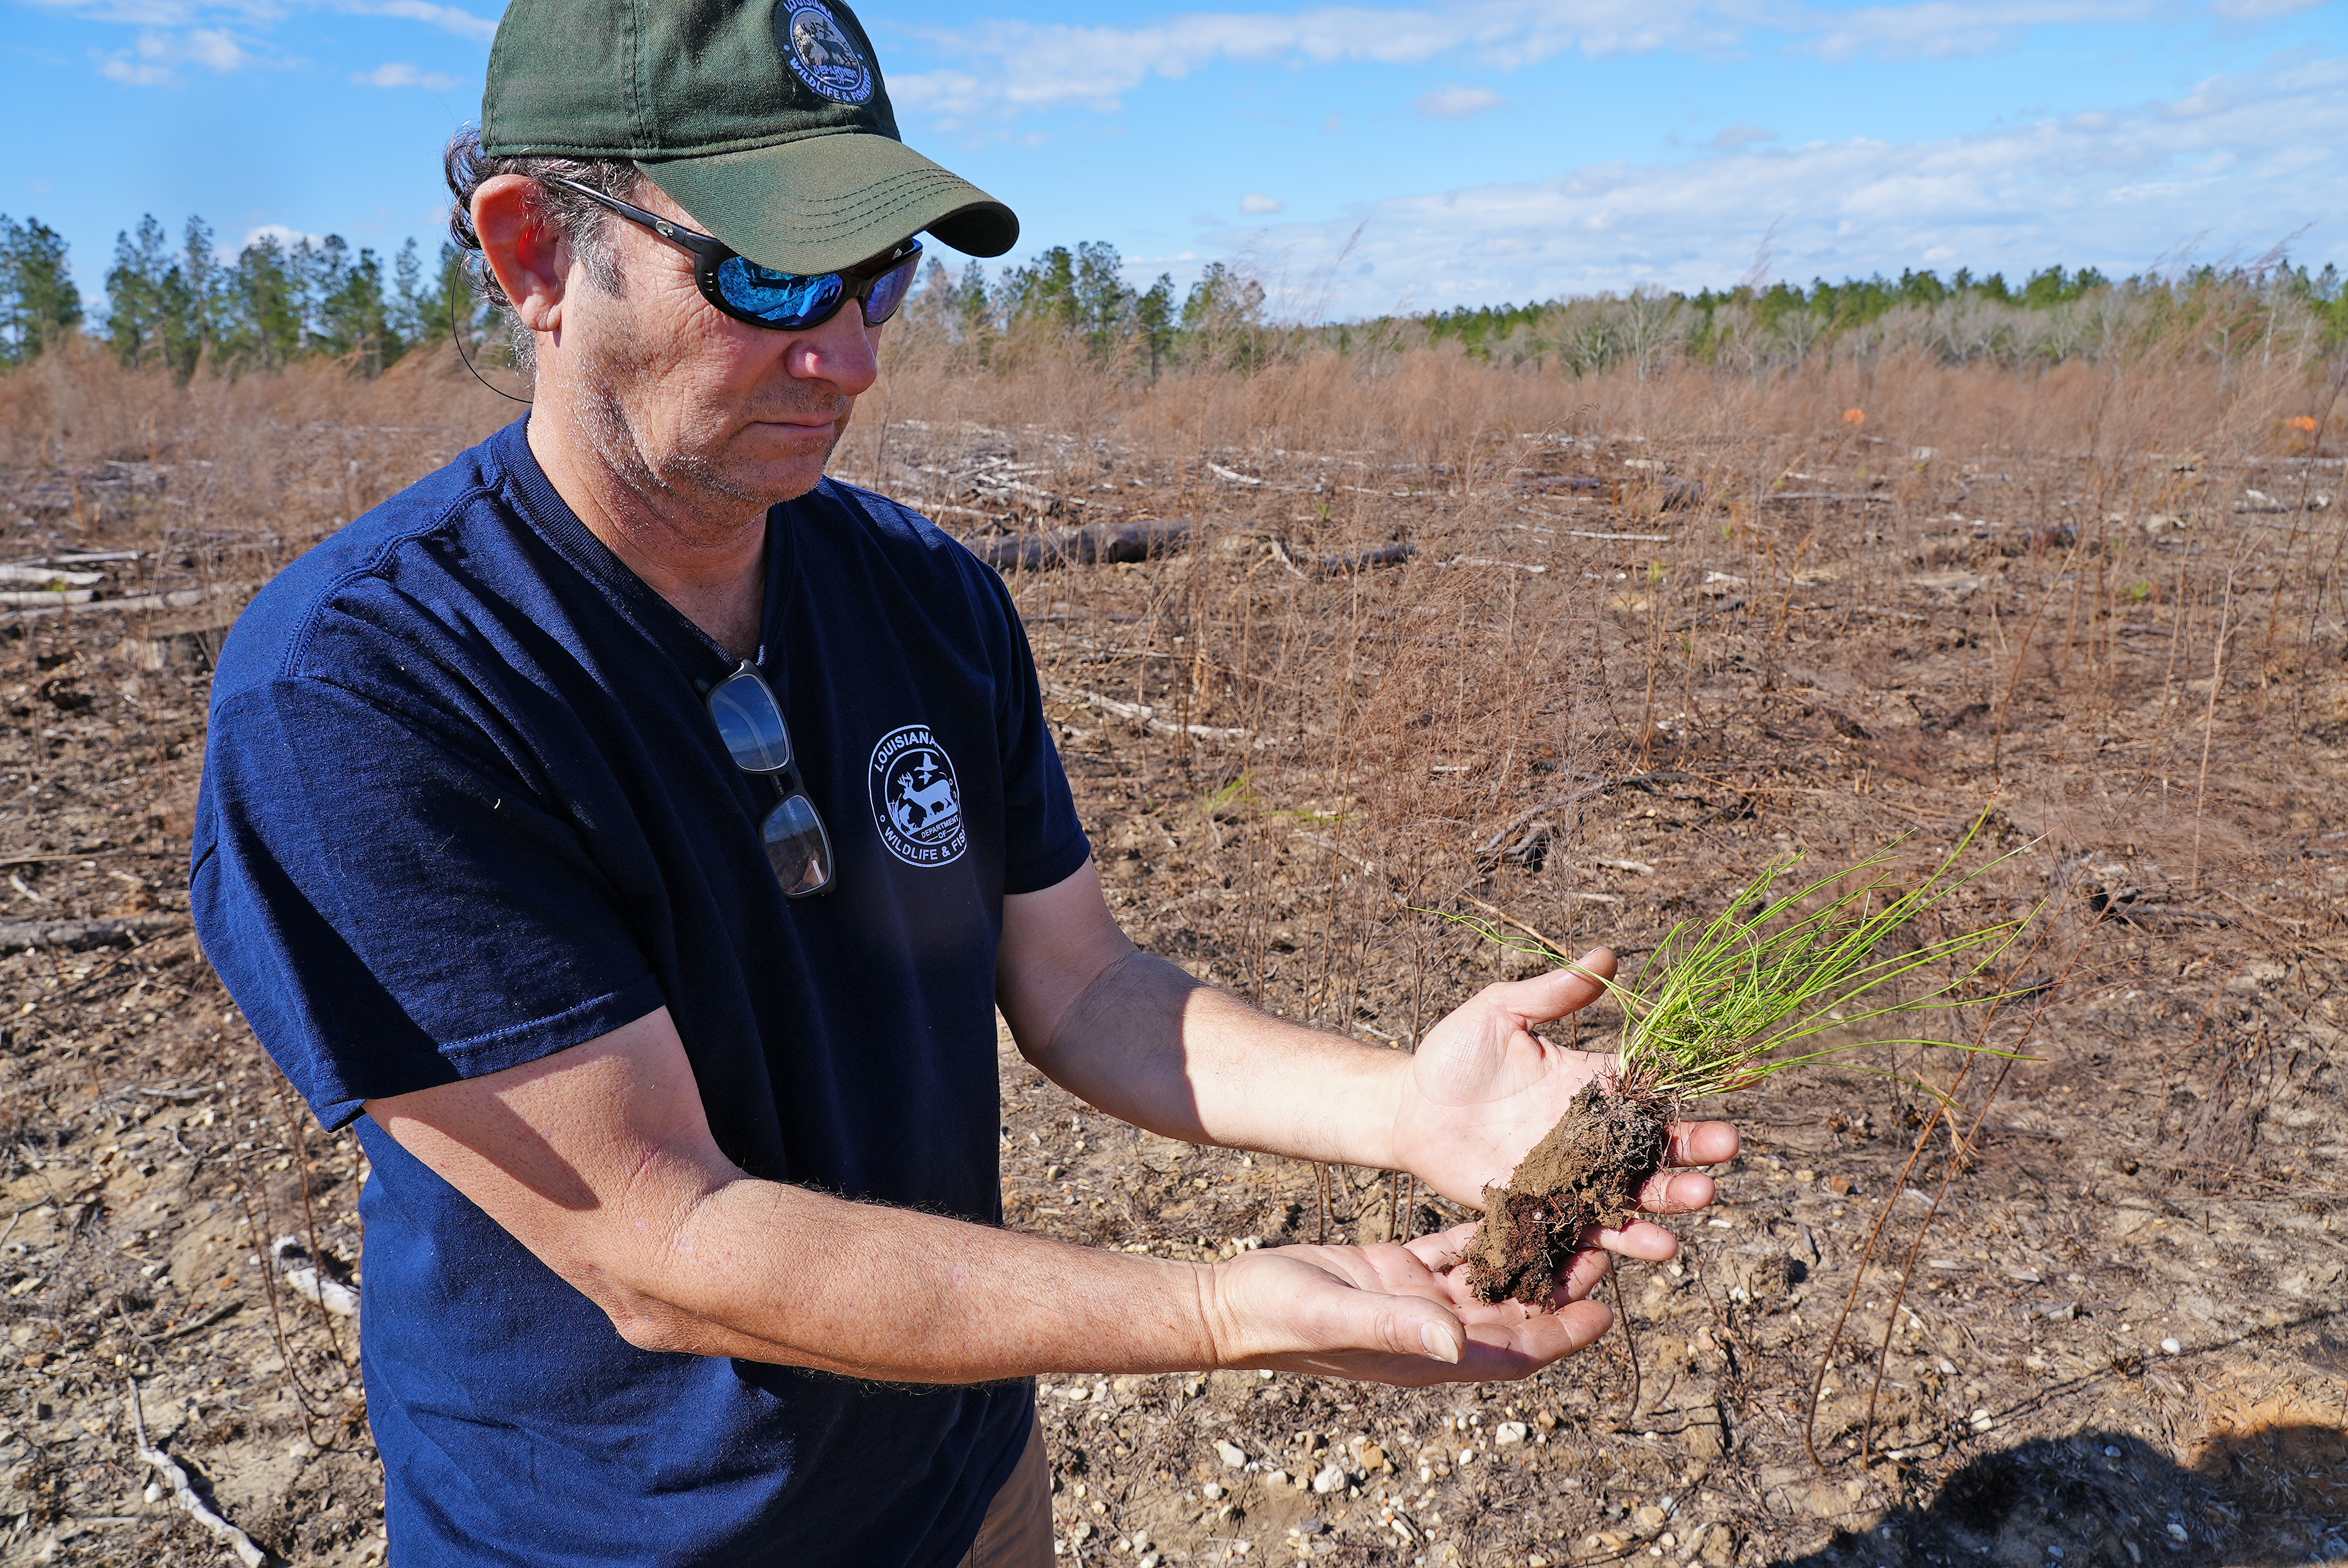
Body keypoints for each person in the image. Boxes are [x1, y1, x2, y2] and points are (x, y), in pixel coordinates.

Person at [189, 1, 1739, 1563]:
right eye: (771, 272)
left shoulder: (926, 597)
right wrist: (1211, 1312)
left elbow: (1082, 988)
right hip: (629, 1538)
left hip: (963, 1487)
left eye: (883, 277)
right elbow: (662, 1242)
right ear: (536, 256)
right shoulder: (366, 696)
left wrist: (1404, 1107)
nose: (850, 355)